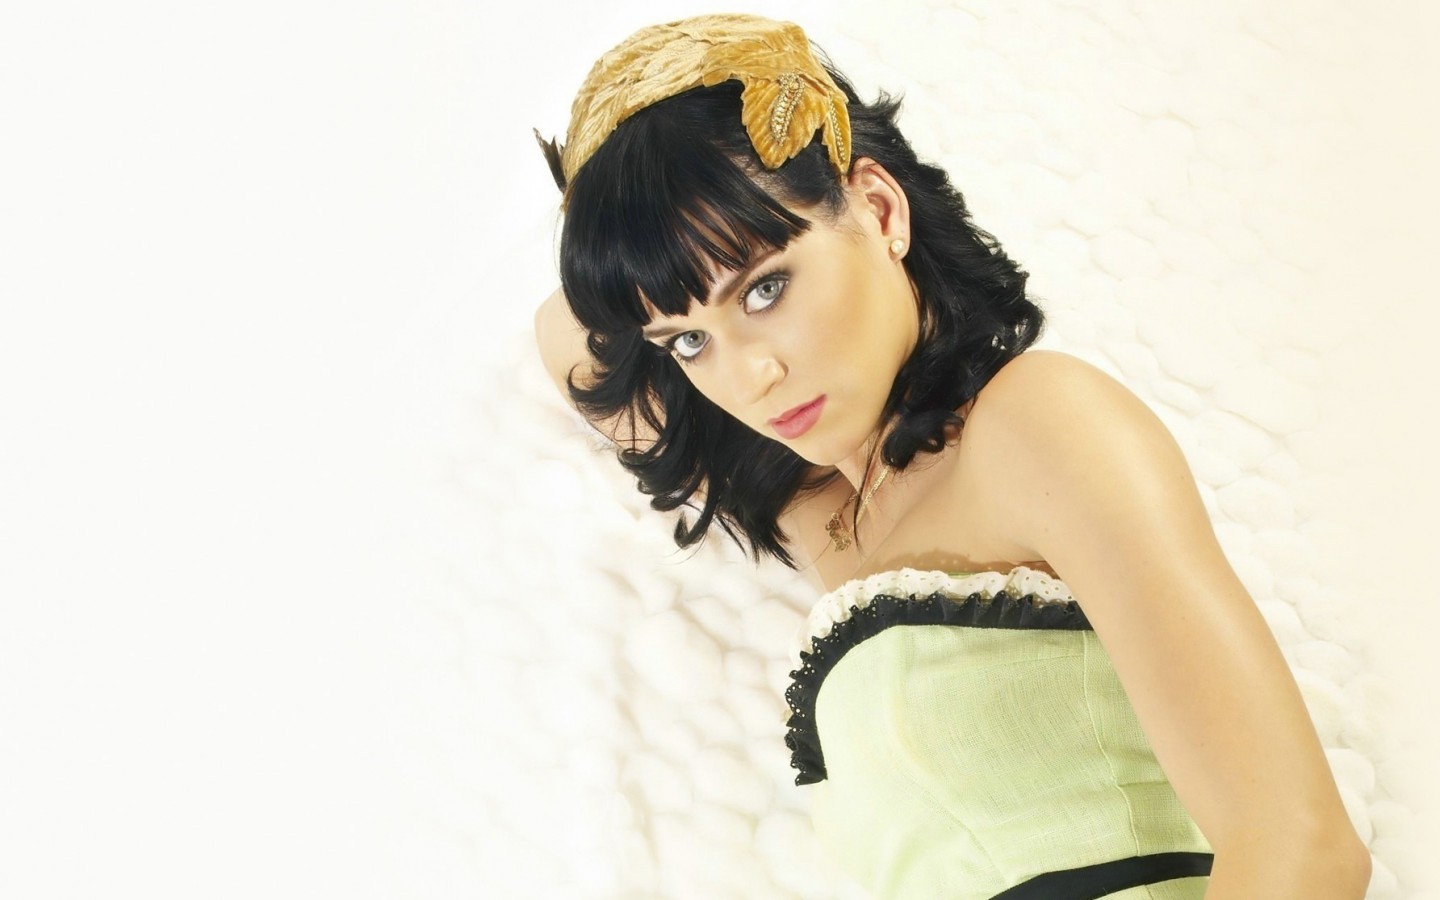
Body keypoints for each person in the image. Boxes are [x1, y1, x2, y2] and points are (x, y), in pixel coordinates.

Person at [532, 13, 1370, 899]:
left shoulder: (1038, 425)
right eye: (689, 342)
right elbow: (565, 334)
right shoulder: (834, 526)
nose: (751, 376)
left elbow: (1301, 847)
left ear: (879, 208)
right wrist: (625, 203)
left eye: (766, 289)